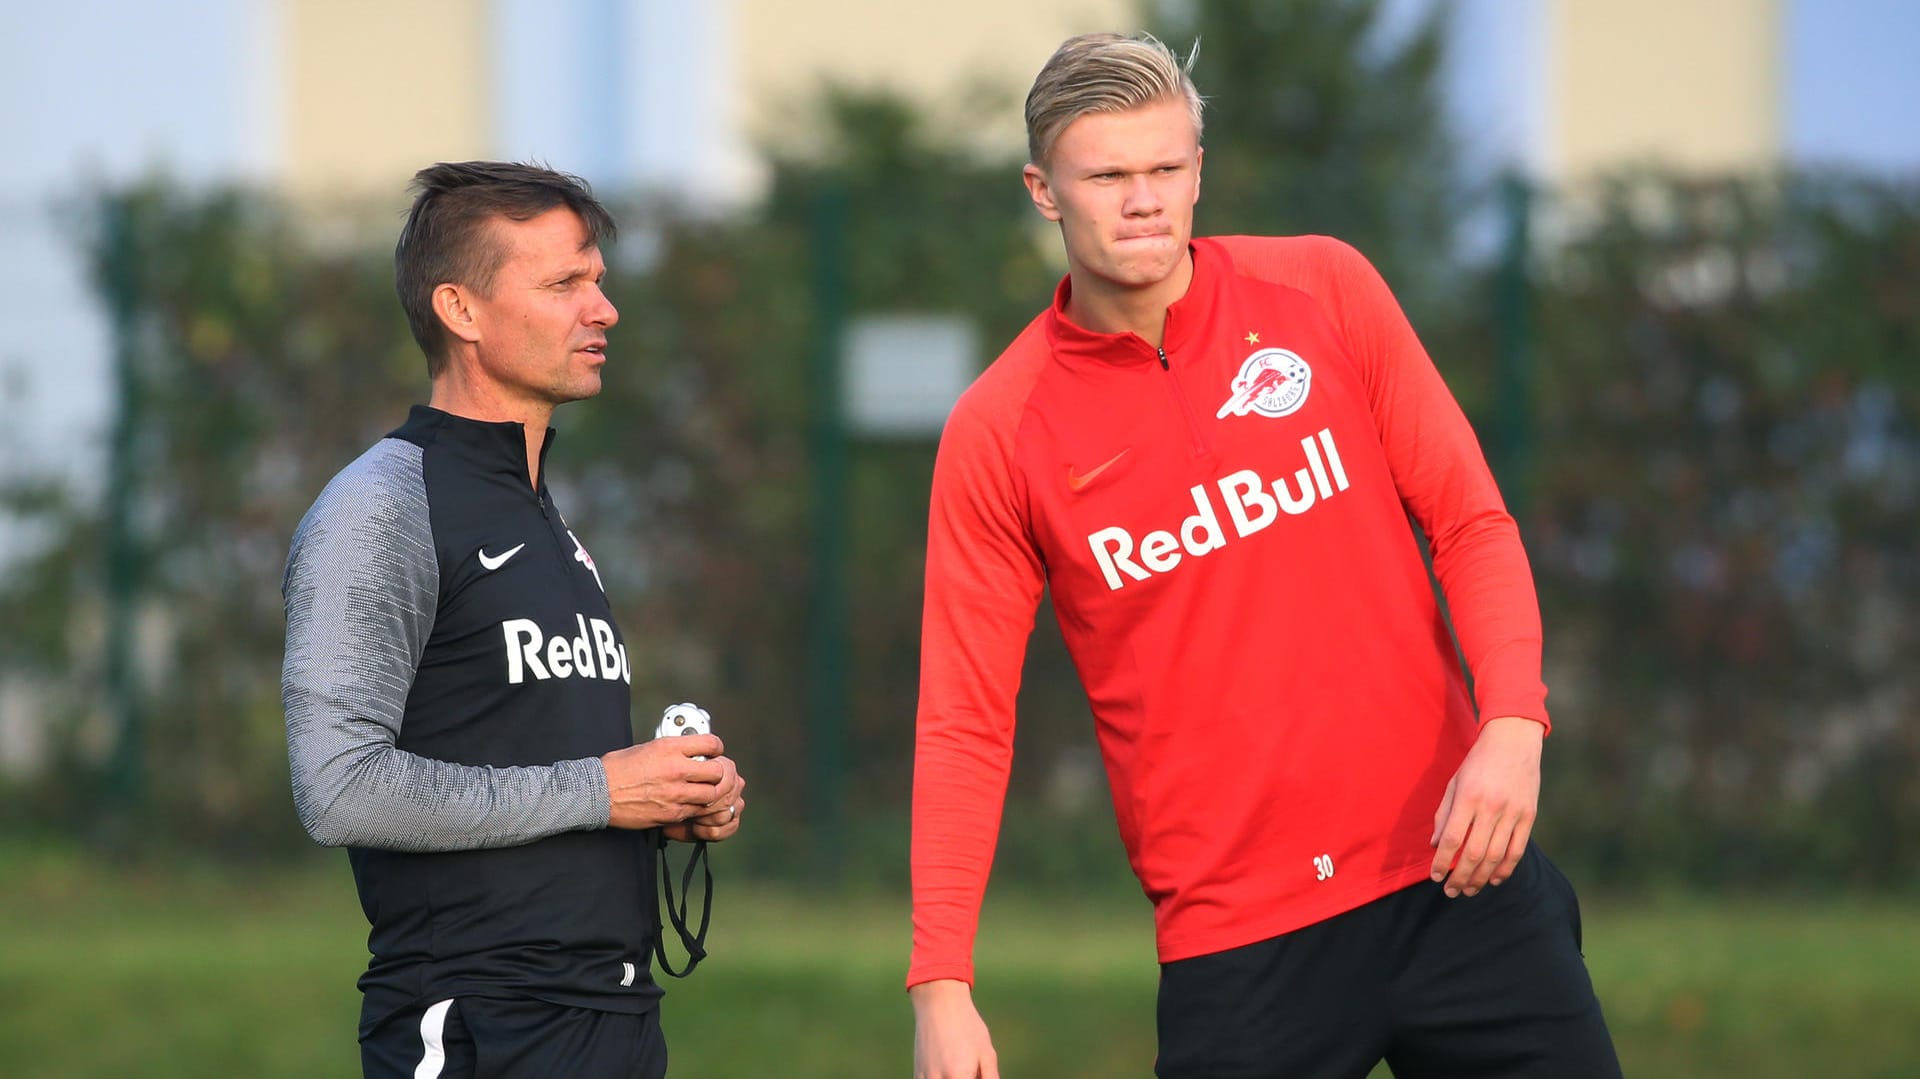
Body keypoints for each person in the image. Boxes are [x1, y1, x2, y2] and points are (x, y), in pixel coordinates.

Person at [907, 33, 1620, 1079]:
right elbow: (966, 717)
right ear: (1044, 189)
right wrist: (942, 982)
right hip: (1239, 945)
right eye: (1107, 174)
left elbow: (1471, 520)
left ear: (1200, 167)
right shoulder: (999, 428)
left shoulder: (1325, 289)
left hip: (1459, 880)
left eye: (1167, 167)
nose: (1143, 199)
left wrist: (1513, 721)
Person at [281, 160, 747, 1079]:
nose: (603, 310)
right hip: (475, 1028)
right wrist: (607, 791)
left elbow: (529, 762)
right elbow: (339, 786)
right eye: (565, 283)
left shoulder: (546, 519)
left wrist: (666, 805)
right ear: (461, 310)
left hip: (614, 1020)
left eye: (599, 282)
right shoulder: (382, 504)